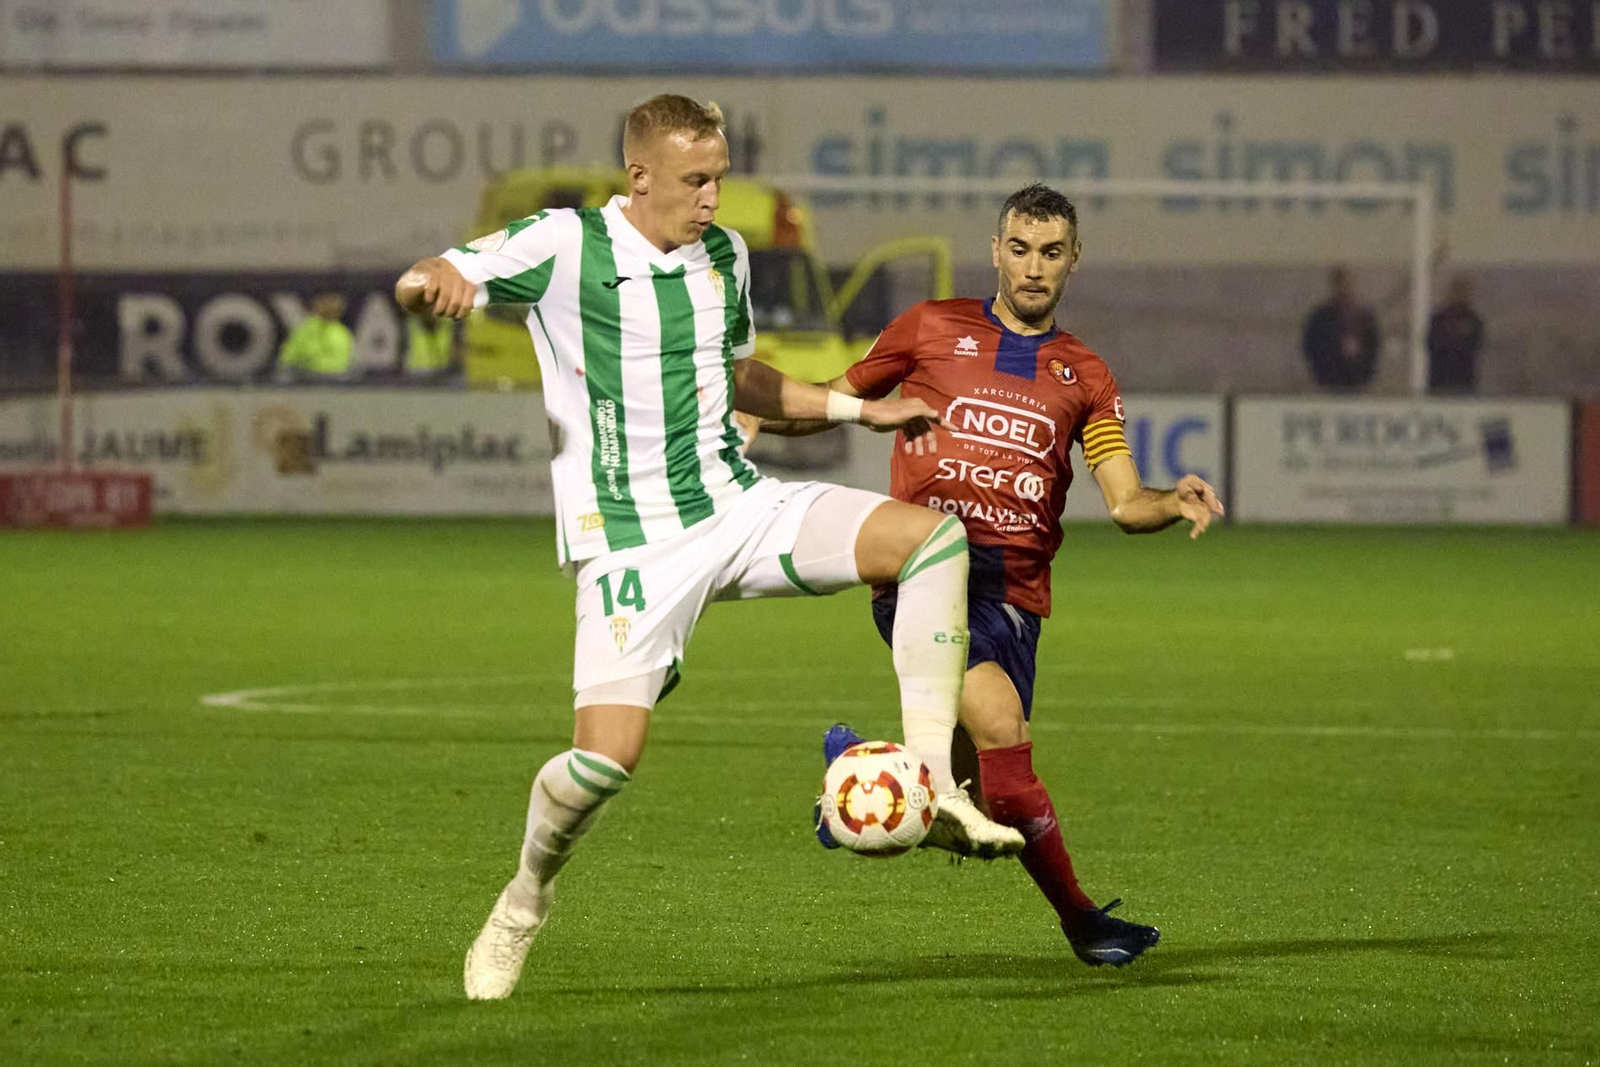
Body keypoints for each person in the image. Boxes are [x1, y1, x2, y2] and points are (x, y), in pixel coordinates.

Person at [393, 94, 1024, 1002]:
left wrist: (859, 407)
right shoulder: (566, 244)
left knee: (930, 540)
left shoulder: (723, 256)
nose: (713, 199)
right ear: (639, 176)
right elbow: (424, 275)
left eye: (720, 177)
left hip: (736, 504)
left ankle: (934, 785)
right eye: (696, 180)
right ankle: (524, 900)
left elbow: (742, 374)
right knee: (602, 764)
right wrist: (433, 286)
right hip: (632, 545)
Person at [754, 183, 1224, 968]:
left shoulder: (1086, 374)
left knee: (967, 808)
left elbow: (1122, 503)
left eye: (1050, 252)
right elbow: (835, 398)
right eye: (1019, 248)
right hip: (924, 579)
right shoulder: (929, 327)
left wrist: (1170, 500)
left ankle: (852, 781)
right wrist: (756, 409)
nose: (1033, 267)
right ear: (995, 250)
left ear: (1074, 259)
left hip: (1015, 601)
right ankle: (1084, 923)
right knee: (1002, 732)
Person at [1301, 266, 1379, 390]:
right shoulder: (1320, 317)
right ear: (1334, 286)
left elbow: (1373, 347)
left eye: (1347, 284)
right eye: (1341, 284)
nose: (1344, 289)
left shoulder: (1364, 317)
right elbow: (1311, 346)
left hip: (1357, 382)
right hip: (1328, 382)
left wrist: (1364, 372)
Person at [1426, 274, 1485, 394]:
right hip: (1439, 382)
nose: (1460, 295)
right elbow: (1432, 343)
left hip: (1464, 383)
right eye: (1457, 290)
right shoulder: (1439, 320)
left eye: (1463, 291)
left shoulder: (1474, 321)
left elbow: (1475, 345)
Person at [277, 292, 353, 380]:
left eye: (332, 306)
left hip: (331, 382)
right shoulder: (305, 329)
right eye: (324, 304)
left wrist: (311, 364)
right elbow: (287, 356)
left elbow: (339, 365)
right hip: (302, 379)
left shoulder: (342, 334)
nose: (328, 308)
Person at [405, 308, 458, 380]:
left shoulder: (449, 324)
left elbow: (456, 353)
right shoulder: (411, 323)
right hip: (415, 377)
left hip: (443, 377)